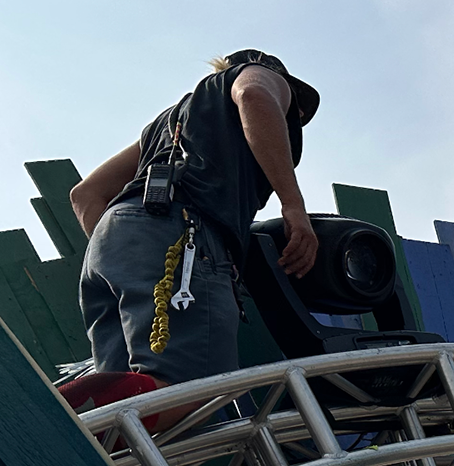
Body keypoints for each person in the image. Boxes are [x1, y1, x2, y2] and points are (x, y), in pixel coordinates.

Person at [68, 50, 322, 387]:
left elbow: (85, 195)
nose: (295, 114)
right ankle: (45, 420)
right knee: (195, 387)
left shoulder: (170, 122)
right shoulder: (258, 76)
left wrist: (129, 254)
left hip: (109, 244)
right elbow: (254, 94)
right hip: (182, 233)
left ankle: (73, 426)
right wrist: (293, 205)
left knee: (132, 407)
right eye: (295, 109)